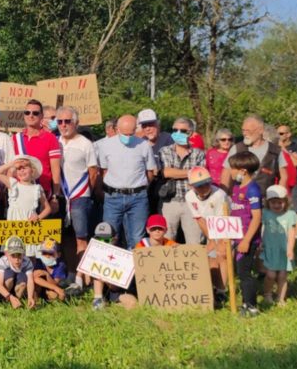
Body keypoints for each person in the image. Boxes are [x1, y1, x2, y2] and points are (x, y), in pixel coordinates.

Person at [95, 114, 157, 249]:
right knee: (108, 236)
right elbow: (103, 171)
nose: (128, 138)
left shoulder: (144, 145)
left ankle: (135, 269)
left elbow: (150, 172)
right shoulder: (106, 145)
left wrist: (140, 187)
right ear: (117, 129)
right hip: (113, 197)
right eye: (124, 134)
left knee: (137, 238)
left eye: (131, 134)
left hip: (138, 198)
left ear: (136, 130)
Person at [56, 105, 98, 286]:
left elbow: (93, 173)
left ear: (76, 123)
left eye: (68, 121)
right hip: (61, 197)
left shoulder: (85, 144)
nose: (64, 125)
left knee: (81, 237)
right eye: (60, 121)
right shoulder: (55, 141)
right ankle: (71, 273)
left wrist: (86, 192)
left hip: (80, 196)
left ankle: (81, 279)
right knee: (65, 238)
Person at [185, 166, 230, 301]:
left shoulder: (219, 195)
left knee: (221, 255)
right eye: (199, 186)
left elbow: (223, 221)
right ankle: (212, 289)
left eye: (206, 183)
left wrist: (219, 243)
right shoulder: (189, 196)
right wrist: (211, 240)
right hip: (210, 228)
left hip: (226, 227)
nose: (204, 188)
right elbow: (200, 220)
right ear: (191, 186)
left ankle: (222, 291)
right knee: (210, 258)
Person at [158, 117, 206, 245]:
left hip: (192, 203)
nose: (177, 133)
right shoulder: (165, 151)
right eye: (175, 130)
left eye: (182, 130)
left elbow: (201, 178)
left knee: (195, 243)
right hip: (169, 202)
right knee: (166, 242)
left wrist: (177, 173)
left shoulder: (199, 154)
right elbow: (166, 172)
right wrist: (191, 172)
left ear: (190, 133)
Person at [228, 151, 264, 316]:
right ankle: (245, 303)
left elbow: (257, 217)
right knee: (239, 270)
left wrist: (247, 240)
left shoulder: (253, 189)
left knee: (244, 272)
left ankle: (251, 306)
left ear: (243, 170)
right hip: (236, 236)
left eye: (232, 168)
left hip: (247, 239)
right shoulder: (236, 187)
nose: (230, 171)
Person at [0, 155, 52, 257]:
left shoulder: (37, 188)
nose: (21, 171)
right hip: (14, 225)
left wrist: (38, 217)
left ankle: (30, 272)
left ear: (32, 171)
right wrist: (12, 164)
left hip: (29, 226)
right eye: (18, 169)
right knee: (12, 255)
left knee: (30, 255)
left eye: (24, 168)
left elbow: (48, 208)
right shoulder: (13, 184)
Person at [222, 115, 287, 192]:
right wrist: (224, 195)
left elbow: (283, 177)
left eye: (248, 131)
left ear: (260, 130)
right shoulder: (236, 148)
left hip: (266, 200)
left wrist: (278, 196)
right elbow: (226, 175)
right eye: (243, 130)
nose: (245, 134)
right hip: (241, 200)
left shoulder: (275, 150)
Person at [13, 99, 62, 199]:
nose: (31, 116)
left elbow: (55, 170)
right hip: (19, 194)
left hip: (42, 194)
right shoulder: (15, 139)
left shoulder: (50, 138)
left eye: (35, 113)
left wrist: (55, 196)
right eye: (27, 112)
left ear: (41, 116)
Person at [261, 185, 297, 306]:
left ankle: (280, 298)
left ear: (285, 201)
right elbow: (260, 228)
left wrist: (290, 249)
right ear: (268, 202)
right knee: (271, 274)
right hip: (270, 249)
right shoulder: (265, 213)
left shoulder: (290, 215)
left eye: (279, 202)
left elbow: (292, 233)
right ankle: (267, 294)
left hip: (284, 250)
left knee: (283, 275)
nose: (277, 205)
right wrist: (260, 244)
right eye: (273, 202)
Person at [89, 222, 137, 311]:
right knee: (98, 271)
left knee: (132, 303)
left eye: (106, 240)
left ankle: (111, 305)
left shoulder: (123, 256)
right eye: (99, 239)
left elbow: (116, 287)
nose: (102, 242)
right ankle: (98, 301)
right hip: (101, 290)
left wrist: (106, 279)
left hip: (118, 291)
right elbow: (88, 281)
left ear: (114, 239)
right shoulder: (94, 254)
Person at [0, 235, 35, 309]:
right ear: (6, 254)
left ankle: (19, 299)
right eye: (13, 255)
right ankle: (6, 301)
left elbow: (30, 281)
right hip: (8, 283)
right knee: (8, 280)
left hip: (19, 280)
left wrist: (30, 297)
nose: (17, 259)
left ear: (24, 253)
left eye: (19, 255)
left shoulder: (27, 262)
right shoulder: (2, 261)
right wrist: (10, 297)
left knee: (22, 284)